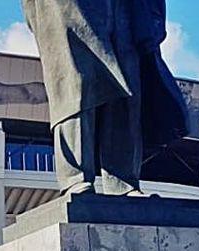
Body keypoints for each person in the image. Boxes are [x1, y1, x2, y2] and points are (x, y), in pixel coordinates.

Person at [22, 0, 189, 196]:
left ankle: (124, 181)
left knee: (127, 92)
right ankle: (75, 178)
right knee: (76, 89)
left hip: (123, 10)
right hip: (69, 8)